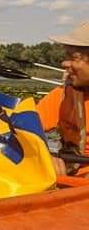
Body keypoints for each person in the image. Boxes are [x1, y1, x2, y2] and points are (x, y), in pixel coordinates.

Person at [36, 20, 89, 178]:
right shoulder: (62, 95)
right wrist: (44, 157)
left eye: (74, 58)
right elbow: (20, 131)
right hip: (72, 182)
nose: (64, 63)